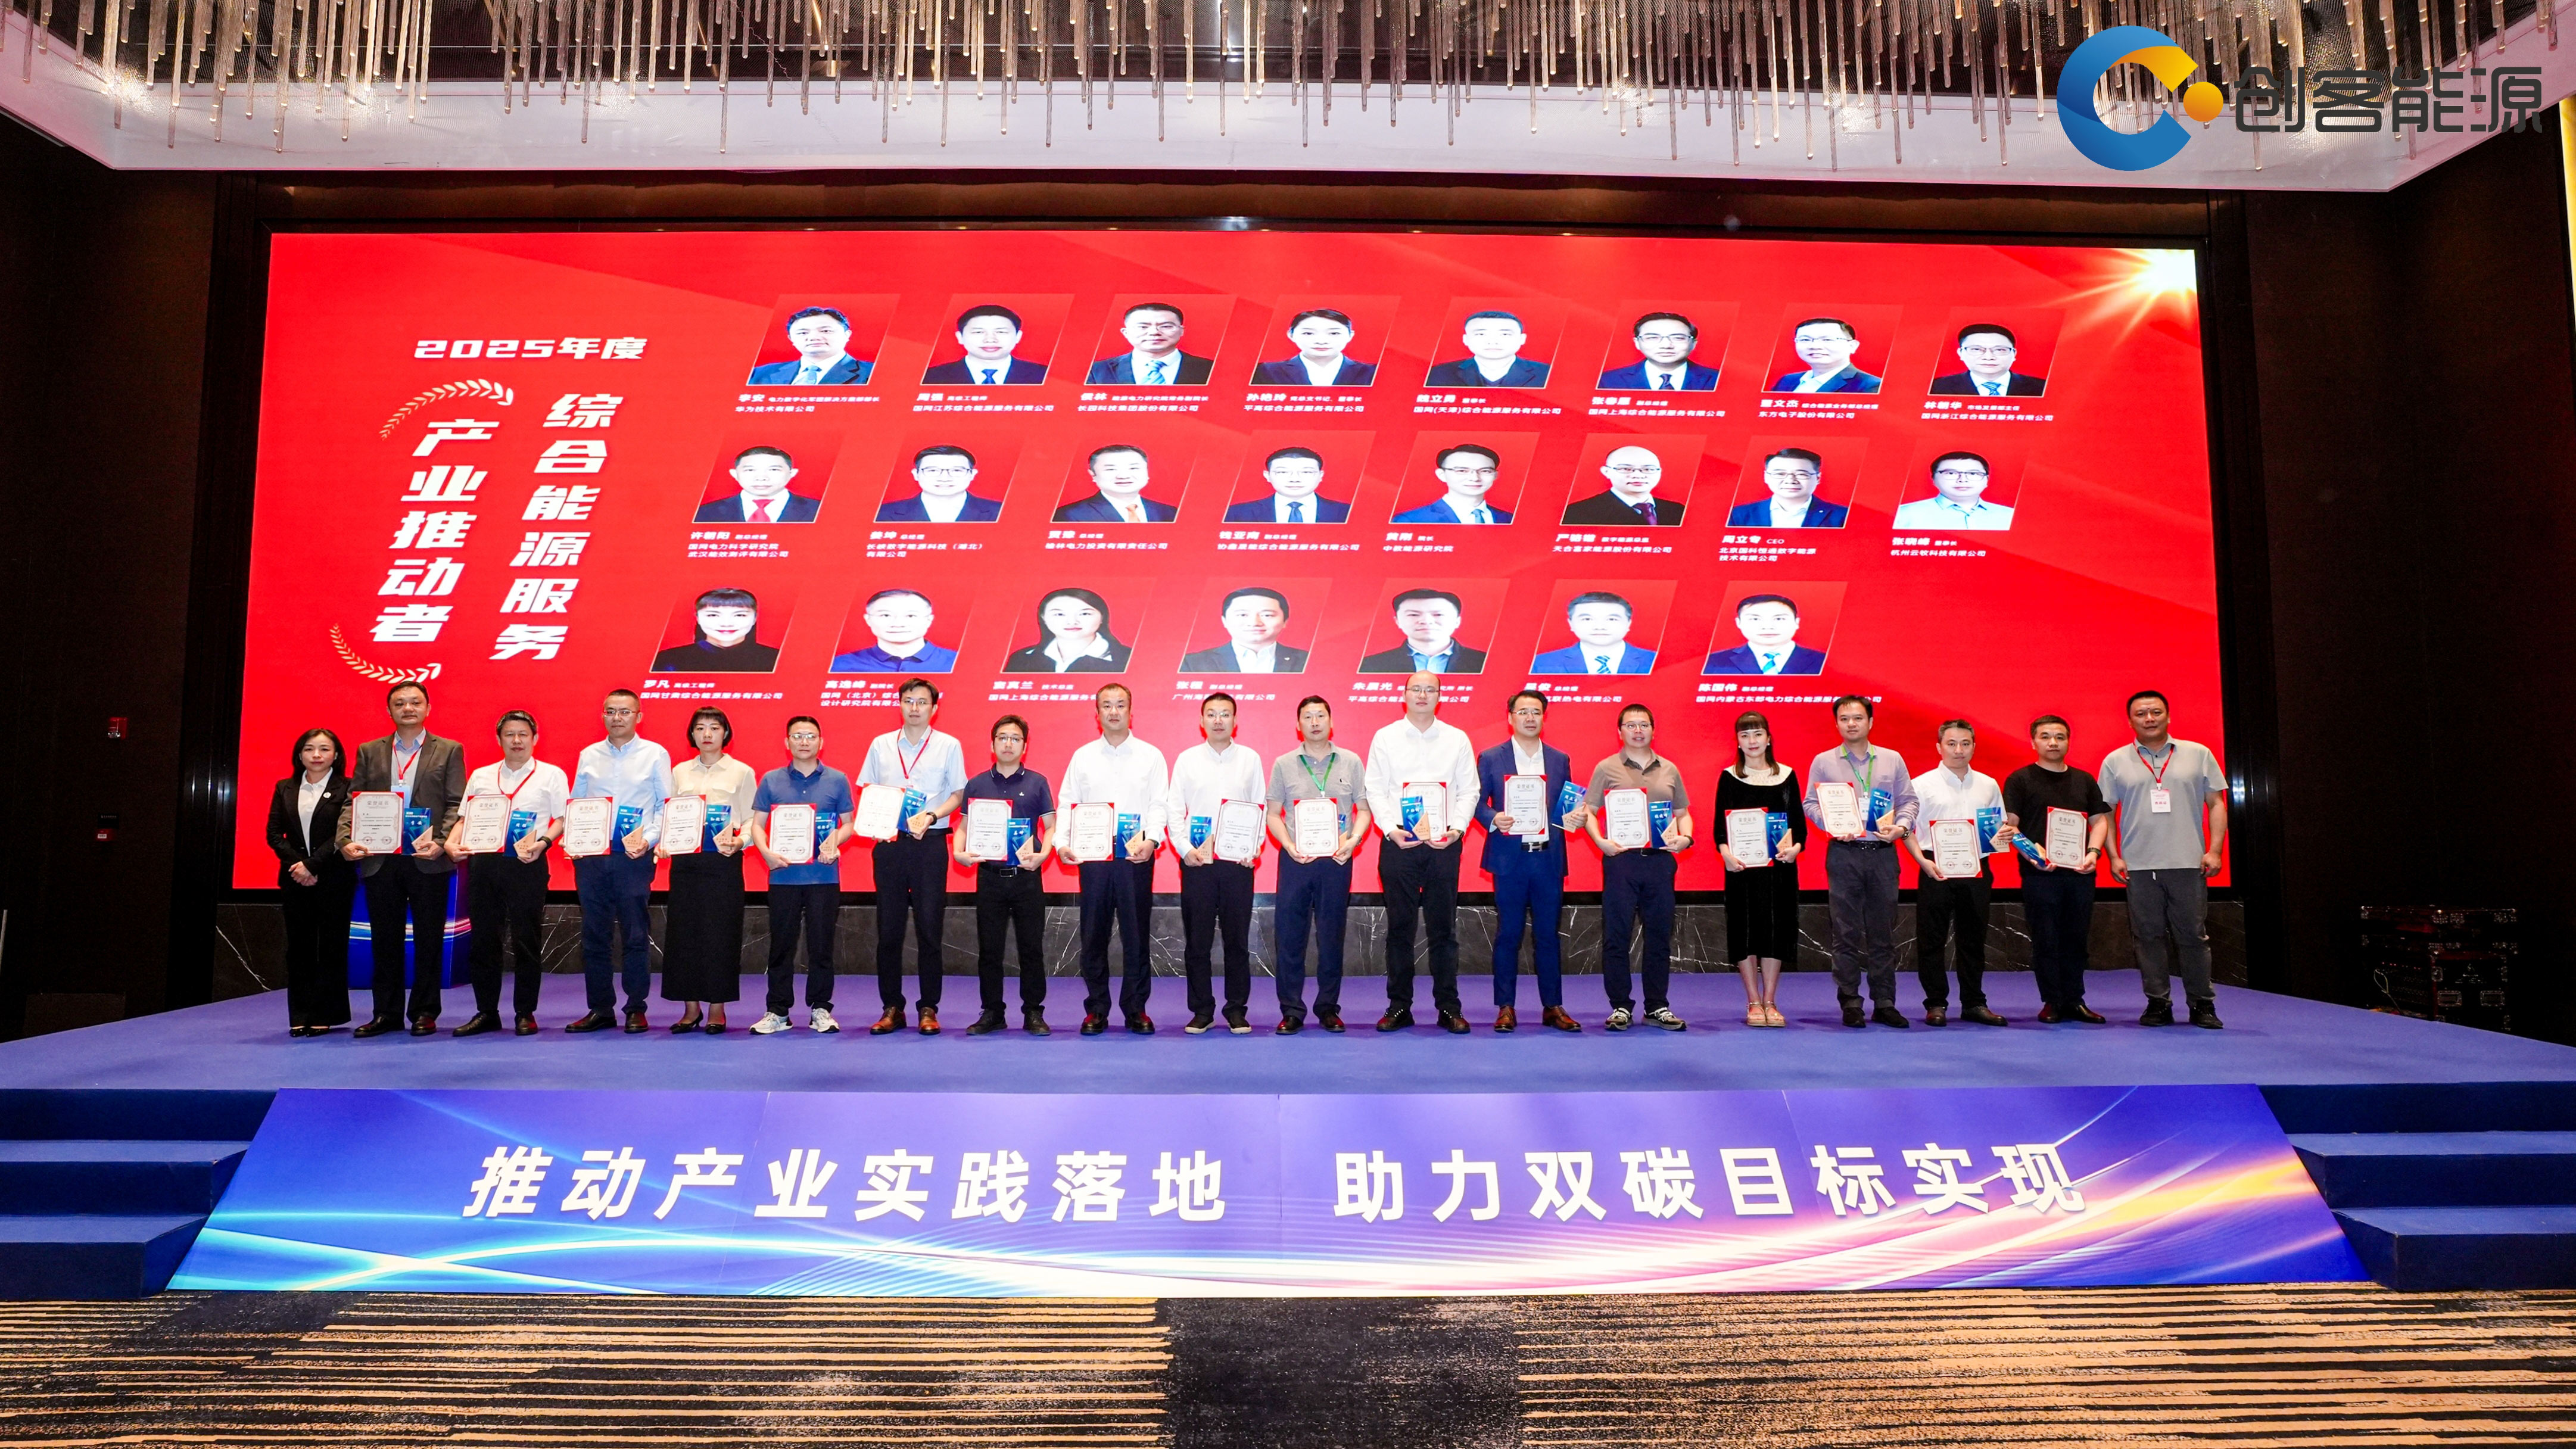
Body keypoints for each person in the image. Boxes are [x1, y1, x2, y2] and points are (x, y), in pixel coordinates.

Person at [334, 680, 466, 1038]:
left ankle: (425, 1011)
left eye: (415, 702)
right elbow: (354, 801)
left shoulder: (449, 749)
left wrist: (442, 842)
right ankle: (386, 1013)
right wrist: (345, 838)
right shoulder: (369, 751)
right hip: (381, 857)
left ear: (428, 709)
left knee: (429, 939)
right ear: (389, 710)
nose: (408, 708)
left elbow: (456, 802)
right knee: (385, 939)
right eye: (400, 703)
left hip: (428, 857)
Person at [2100, 690, 2229, 1029]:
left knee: (2193, 937)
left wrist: (2215, 850)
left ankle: (2202, 1004)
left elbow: (2216, 804)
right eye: (2141, 714)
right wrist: (2114, 856)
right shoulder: (2115, 761)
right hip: (2139, 866)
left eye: (2156, 712)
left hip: (2189, 862)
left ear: (2168, 716)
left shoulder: (2199, 754)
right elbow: (2105, 813)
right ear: (2130, 721)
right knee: (2148, 938)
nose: (2149, 719)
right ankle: (2158, 1003)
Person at [1365, 671, 1480, 1034]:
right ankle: (1399, 1006)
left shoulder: (1457, 738)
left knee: (1444, 929)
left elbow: (1469, 790)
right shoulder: (1385, 737)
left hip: (1444, 844)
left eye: (1431, 689)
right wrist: (1390, 829)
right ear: (1404, 694)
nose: (1423, 695)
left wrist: (1457, 829)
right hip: (1400, 842)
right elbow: (1375, 789)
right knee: (1400, 928)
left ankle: (1449, 1008)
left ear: (1439, 697)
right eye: (1416, 688)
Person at [444, 709, 568, 1037]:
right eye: (509, 734)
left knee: (527, 939)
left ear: (535, 738)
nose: (516, 740)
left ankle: (525, 1012)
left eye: (523, 734)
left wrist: (544, 843)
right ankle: (486, 1012)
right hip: (484, 864)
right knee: (484, 940)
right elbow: (464, 819)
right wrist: (451, 844)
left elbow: (561, 819)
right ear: (499, 739)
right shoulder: (482, 776)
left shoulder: (551, 775)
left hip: (527, 863)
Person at [858, 678, 968, 1036]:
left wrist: (933, 816)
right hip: (890, 846)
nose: (915, 708)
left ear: (934, 707)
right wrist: (876, 822)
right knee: (888, 931)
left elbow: (958, 794)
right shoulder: (881, 744)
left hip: (930, 846)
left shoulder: (949, 745)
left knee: (930, 930)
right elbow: (870, 791)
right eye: (909, 701)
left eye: (922, 702)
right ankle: (892, 1007)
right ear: (900, 704)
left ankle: (928, 1007)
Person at [1058, 684, 1168, 1035]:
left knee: (1136, 935)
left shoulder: (1151, 755)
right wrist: (1062, 843)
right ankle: (1097, 1008)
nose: (1114, 711)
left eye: (1121, 705)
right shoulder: (1083, 756)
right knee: (1093, 933)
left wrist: (1152, 841)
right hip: (1094, 856)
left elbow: (1159, 805)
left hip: (1136, 855)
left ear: (1131, 711)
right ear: (1098, 713)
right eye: (1107, 706)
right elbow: (1067, 803)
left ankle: (1136, 1009)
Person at [1803, 695, 1919, 1028]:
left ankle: (1885, 1002)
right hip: (1844, 854)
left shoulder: (1892, 759)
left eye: (1857, 718)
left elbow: (1909, 801)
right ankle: (1851, 1002)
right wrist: (1831, 824)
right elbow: (1810, 803)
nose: (1851, 724)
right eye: (1844, 719)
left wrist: (1901, 828)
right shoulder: (1824, 762)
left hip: (1883, 854)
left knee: (1883, 933)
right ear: (1837, 723)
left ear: (1870, 722)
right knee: (1845, 933)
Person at [1474, 690, 1581, 1033]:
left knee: (1548, 935)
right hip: (1511, 860)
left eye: (1536, 712)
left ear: (1544, 717)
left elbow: (1565, 807)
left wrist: (1575, 817)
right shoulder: (1492, 757)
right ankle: (1506, 1007)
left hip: (1548, 859)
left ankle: (1553, 1006)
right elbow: (1476, 802)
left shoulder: (1559, 759)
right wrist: (1494, 818)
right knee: (1509, 934)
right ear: (1511, 718)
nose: (1530, 718)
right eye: (1523, 712)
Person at [1583, 704, 1695, 1031]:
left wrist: (1686, 837)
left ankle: (1657, 1006)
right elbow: (1589, 810)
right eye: (1630, 725)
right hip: (1621, 861)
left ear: (1653, 730)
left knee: (1659, 937)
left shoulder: (1669, 769)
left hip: (1660, 862)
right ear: (1620, 731)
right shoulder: (1606, 767)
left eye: (1643, 725)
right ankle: (1620, 1006)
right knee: (1616, 936)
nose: (1637, 731)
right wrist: (1600, 841)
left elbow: (1683, 813)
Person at [568, 689, 674, 1034]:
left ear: (638, 716)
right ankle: (600, 1008)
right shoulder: (589, 755)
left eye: (625, 712)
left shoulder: (655, 754)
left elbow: (665, 805)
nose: (617, 718)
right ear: (603, 715)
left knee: (635, 934)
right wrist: (575, 838)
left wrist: (649, 840)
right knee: (594, 935)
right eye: (611, 711)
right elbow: (578, 803)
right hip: (593, 858)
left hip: (634, 857)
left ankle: (635, 1008)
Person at [1264, 696, 1370, 1034]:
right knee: (1290, 937)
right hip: (1296, 861)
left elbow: (1364, 810)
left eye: (1320, 716)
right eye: (1307, 717)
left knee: (1331, 936)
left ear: (1330, 721)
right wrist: (1289, 845)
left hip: (1336, 861)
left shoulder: (1351, 761)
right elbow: (1273, 813)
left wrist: (1353, 840)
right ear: (1298, 725)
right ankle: (1292, 1010)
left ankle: (1328, 1008)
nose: (1314, 722)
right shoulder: (1284, 764)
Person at [1166, 692, 1268, 1035]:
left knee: (1237, 941)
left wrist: (1254, 848)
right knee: (1198, 941)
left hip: (1238, 863)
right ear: (1202, 721)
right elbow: (1174, 810)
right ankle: (1202, 1010)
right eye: (1212, 714)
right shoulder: (1187, 760)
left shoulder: (1250, 759)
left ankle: (1236, 1009)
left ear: (1235, 721)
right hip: (1198, 863)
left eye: (1225, 714)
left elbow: (1259, 807)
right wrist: (1184, 849)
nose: (1219, 720)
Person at [747, 715, 856, 1034]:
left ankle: (821, 1009)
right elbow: (757, 824)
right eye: (797, 736)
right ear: (787, 742)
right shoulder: (771, 780)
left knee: (821, 946)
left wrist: (834, 841)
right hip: (783, 876)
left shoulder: (837, 779)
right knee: (781, 946)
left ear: (821, 742)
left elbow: (849, 824)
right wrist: (766, 853)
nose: (804, 741)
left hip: (823, 876)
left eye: (811, 736)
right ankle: (778, 1011)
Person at [1901, 719, 2010, 1027]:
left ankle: (1974, 1003)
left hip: (1977, 867)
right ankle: (1936, 1003)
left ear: (1974, 747)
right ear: (1939, 747)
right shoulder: (1921, 785)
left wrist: (2005, 836)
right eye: (1951, 744)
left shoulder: (1988, 784)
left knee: (1973, 939)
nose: (1958, 750)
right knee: (1931, 939)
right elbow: (1907, 829)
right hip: (1934, 866)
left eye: (1965, 743)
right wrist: (1922, 861)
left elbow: (1997, 830)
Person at [2004, 713, 2113, 1024]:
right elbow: (2011, 826)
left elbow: (2099, 821)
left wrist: (2094, 852)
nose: (2053, 742)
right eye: (2046, 737)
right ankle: (2052, 1001)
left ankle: (2075, 1000)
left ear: (2068, 742)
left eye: (2060, 737)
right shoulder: (2020, 779)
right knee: (2046, 938)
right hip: (2040, 874)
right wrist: (2032, 853)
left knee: (2077, 938)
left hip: (2080, 873)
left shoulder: (2084, 780)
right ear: (2034, 742)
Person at [954, 715, 1056, 1036]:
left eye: (1015, 738)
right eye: (1002, 738)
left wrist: (1043, 855)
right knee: (990, 949)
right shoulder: (977, 784)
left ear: (1024, 746)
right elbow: (964, 827)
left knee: (1031, 948)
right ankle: (992, 1012)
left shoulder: (1037, 782)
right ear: (992, 744)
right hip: (990, 877)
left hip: (1026, 877)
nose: (1008, 743)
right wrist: (958, 851)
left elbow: (1051, 826)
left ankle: (1033, 1012)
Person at [661, 705, 758, 1035]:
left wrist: (741, 841)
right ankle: (691, 1009)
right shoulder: (679, 772)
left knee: (721, 933)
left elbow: (751, 818)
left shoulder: (742, 772)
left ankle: (717, 1008)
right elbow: (669, 814)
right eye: (700, 728)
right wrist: (664, 841)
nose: (707, 734)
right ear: (692, 734)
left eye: (714, 728)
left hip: (723, 861)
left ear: (725, 734)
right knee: (684, 933)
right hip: (686, 862)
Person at [1715, 711, 1805, 1027]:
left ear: (1769, 738)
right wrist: (1726, 854)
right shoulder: (1729, 777)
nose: (1752, 741)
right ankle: (1753, 1001)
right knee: (1745, 930)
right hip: (1741, 869)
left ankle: (1770, 1000)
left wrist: (1795, 849)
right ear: (1738, 742)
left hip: (1779, 869)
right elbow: (1720, 828)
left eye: (1757, 734)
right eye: (1745, 735)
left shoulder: (1787, 775)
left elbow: (1798, 825)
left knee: (1774, 930)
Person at [266, 727, 354, 1037]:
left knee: (331, 946)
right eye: (309, 749)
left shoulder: (348, 787)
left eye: (324, 749)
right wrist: (299, 865)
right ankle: (300, 1014)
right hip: (294, 878)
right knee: (299, 949)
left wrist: (313, 864)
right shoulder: (285, 787)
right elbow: (274, 834)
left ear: (336, 755)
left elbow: (345, 831)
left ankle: (325, 1014)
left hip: (334, 877)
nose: (317, 755)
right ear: (299, 754)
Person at [1002, 587, 1133, 674]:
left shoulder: (1127, 658)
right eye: (1059, 614)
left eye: (1085, 614)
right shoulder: (1022, 658)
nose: (1072, 622)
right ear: (1043, 618)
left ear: (1102, 617)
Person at [1356, 588, 1489, 674]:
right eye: (1414, 615)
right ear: (1397, 621)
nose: (1426, 621)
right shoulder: (1371, 664)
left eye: (1438, 615)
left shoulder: (1483, 661)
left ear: (1457, 621)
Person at [652, 587, 781, 674]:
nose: (726, 624)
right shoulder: (668, 660)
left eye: (740, 615)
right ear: (698, 618)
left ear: (754, 619)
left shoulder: (776, 658)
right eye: (713, 615)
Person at [1179, 587, 1309, 674]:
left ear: (1285, 621)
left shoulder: (1306, 659)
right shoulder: (1192, 663)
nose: (1255, 623)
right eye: (1243, 615)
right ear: (1224, 621)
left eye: (1267, 615)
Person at [828, 588, 959, 674]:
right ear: (868, 620)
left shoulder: (956, 662)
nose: (898, 624)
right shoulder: (839, 665)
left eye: (911, 616)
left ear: (929, 620)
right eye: (886, 615)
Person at [1086, 301, 1214, 385]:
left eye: (1166, 326)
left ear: (1181, 331)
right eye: (1143, 327)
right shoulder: (1097, 371)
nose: (1154, 332)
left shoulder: (1210, 369)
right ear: (1126, 333)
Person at [1530, 591, 1656, 676]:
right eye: (1587, 619)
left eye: (1612, 619)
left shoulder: (1653, 660)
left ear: (1628, 623)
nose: (1600, 627)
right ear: (1571, 624)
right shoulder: (1543, 663)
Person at [1704, 593, 1828, 676]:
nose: (1767, 627)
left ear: (1797, 622)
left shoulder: (1824, 660)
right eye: (1755, 619)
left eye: (1779, 619)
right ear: (1739, 623)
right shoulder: (1714, 661)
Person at [1724, 447, 1849, 529]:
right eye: (1780, 474)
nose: (1790, 480)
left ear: (1818, 478)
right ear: (1766, 477)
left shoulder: (1842, 516)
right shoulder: (1738, 515)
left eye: (1801, 474)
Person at [1560, 445, 1686, 526]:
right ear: (1606, 472)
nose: (1638, 475)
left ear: (1660, 472)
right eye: (1625, 469)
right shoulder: (1578, 512)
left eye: (1648, 469)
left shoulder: (1678, 510)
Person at [746, 305, 873, 385]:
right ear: (791, 339)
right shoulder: (759, 373)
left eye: (825, 331)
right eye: (803, 333)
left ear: (847, 335)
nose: (814, 338)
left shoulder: (871, 373)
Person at [923, 304, 1047, 385]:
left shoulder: (1044, 375)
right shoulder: (930, 377)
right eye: (979, 332)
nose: (990, 339)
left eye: (1001, 332)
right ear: (960, 337)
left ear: (1018, 337)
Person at [876, 445, 1004, 523]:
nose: (944, 478)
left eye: (956, 471)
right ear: (916, 475)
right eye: (933, 471)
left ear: (972, 475)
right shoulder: (883, 513)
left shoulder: (1000, 511)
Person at [1890, 451, 2016, 531]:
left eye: (1973, 474)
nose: (1962, 480)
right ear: (1933, 479)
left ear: (1986, 480)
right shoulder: (1903, 515)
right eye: (1951, 473)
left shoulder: (2010, 516)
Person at [1053, 443, 1177, 523]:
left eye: (1134, 468)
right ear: (1093, 475)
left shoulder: (1169, 512)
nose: (1124, 476)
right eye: (1111, 469)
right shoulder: (1070, 515)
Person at [694, 445, 820, 523]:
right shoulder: (705, 512)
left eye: (774, 470)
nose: (761, 478)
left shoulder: (818, 510)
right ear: (735, 474)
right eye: (750, 470)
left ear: (792, 473)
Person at [1596, 311, 1721, 391]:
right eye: (1653, 338)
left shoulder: (1717, 379)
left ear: (1693, 344)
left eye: (1678, 338)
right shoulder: (1608, 380)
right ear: (1637, 343)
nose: (1666, 346)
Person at [1424, 310, 1550, 388]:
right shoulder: (1438, 373)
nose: (1493, 341)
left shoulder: (1547, 373)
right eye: (1481, 334)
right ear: (1466, 339)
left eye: (1505, 334)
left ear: (1522, 339)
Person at [1251, 308, 1376, 387]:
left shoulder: (1372, 372)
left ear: (1350, 336)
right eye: (1308, 333)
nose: (1321, 341)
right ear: (1291, 335)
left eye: (1334, 333)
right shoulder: (1266, 371)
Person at [1391, 444, 1513, 525]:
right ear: (1442, 475)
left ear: (1495, 475)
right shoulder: (1411, 520)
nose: (1475, 478)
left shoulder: (1509, 518)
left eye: (1485, 471)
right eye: (1462, 471)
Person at [1222, 447, 1350, 523]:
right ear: (1267, 476)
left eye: (1306, 472)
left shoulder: (1346, 512)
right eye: (1283, 472)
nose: (1295, 479)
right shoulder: (1237, 513)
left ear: (1321, 476)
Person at [1767, 316, 1882, 393]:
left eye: (1827, 340)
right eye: (1805, 340)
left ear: (1852, 346)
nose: (1815, 346)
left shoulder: (1871, 386)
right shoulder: (1787, 381)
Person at [1929, 323, 2046, 396]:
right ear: (1961, 353)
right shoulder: (1936, 387)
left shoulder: (2042, 387)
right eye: (1976, 349)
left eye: (1999, 350)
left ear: (2014, 354)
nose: (1989, 357)